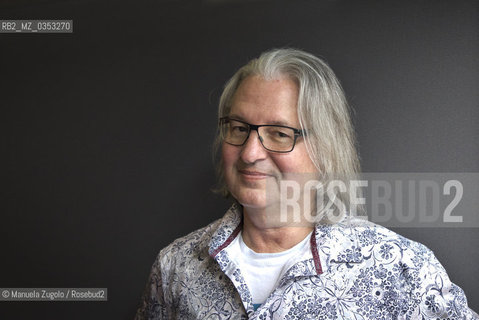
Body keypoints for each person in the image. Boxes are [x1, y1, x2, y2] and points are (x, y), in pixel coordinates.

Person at [135, 48, 478, 319]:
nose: (250, 152)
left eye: (280, 134)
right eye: (239, 128)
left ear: (325, 148)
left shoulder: (401, 267)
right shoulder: (175, 268)